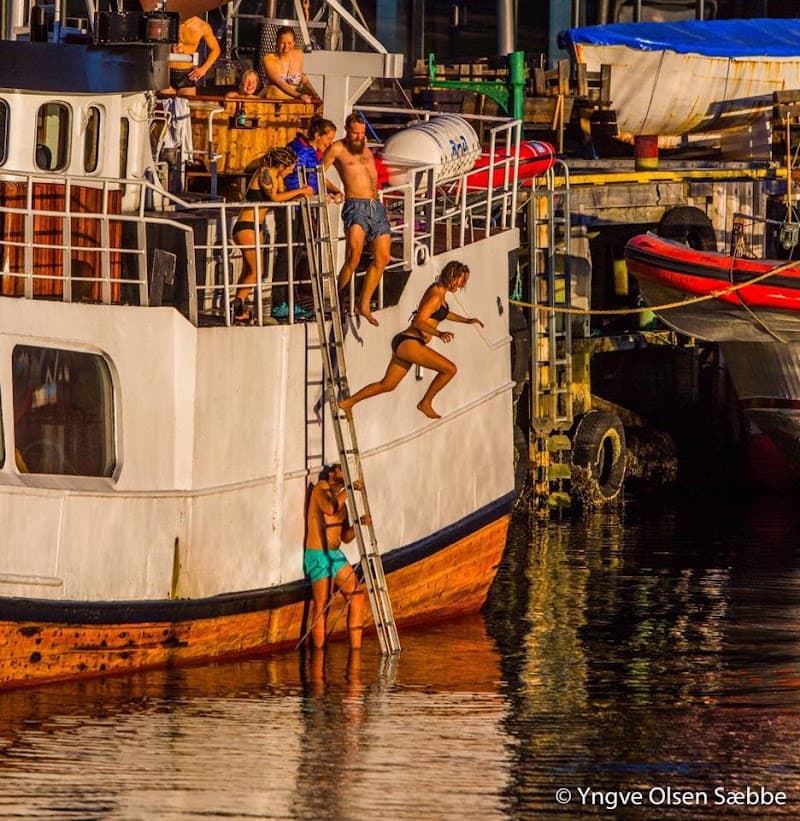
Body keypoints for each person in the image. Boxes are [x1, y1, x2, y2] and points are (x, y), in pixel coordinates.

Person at [338, 260, 482, 420]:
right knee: (450, 369)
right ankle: (425, 403)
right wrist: (439, 333)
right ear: (452, 276)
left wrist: (467, 321)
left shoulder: (440, 293)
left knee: (387, 385)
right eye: (461, 281)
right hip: (410, 341)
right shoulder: (435, 296)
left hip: (406, 343)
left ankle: (348, 403)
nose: (461, 286)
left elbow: (443, 313)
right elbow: (418, 321)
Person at [323, 112, 392, 327]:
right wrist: (334, 190)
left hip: (376, 206)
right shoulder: (337, 148)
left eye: (362, 133)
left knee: (383, 258)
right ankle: (338, 300)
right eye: (355, 132)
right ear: (346, 129)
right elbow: (316, 173)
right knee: (354, 256)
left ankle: (363, 303)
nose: (359, 136)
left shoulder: (365, 146)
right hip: (356, 207)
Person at [230, 146, 313, 323]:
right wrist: (300, 191)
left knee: (249, 270)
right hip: (246, 226)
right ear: (283, 164)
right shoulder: (265, 173)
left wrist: (312, 196)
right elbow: (275, 198)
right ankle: (234, 307)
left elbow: (285, 196)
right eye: (290, 167)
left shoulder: (277, 178)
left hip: (257, 227)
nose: (291, 171)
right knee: (256, 271)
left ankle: (237, 309)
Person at [304, 464, 366, 650]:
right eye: (340, 469)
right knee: (322, 605)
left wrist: (359, 525)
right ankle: (319, 654)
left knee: (357, 595)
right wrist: (349, 490)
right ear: (331, 474)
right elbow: (329, 509)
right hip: (319, 554)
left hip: (335, 553)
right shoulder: (320, 489)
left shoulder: (342, 501)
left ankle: (355, 651)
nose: (343, 471)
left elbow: (344, 537)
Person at [285, 116, 342, 201]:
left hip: (307, 204)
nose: (330, 143)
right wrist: (318, 197)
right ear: (317, 135)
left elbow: (316, 177)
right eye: (329, 138)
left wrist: (334, 191)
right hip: (296, 205)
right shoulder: (301, 151)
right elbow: (294, 180)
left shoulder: (315, 153)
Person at [164, 15, 220, 97]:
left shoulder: (202, 26)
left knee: (185, 107)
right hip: (167, 71)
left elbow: (216, 50)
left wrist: (203, 69)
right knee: (163, 107)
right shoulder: (167, 22)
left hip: (187, 74)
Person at [261, 26, 318, 103]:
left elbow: (302, 77)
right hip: (276, 101)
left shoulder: (299, 54)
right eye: (282, 43)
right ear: (277, 42)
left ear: (294, 43)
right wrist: (299, 96)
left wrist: (316, 94)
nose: (286, 47)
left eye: (289, 43)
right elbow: (279, 82)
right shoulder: (268, 59)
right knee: (274, 91)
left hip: (296, 99)